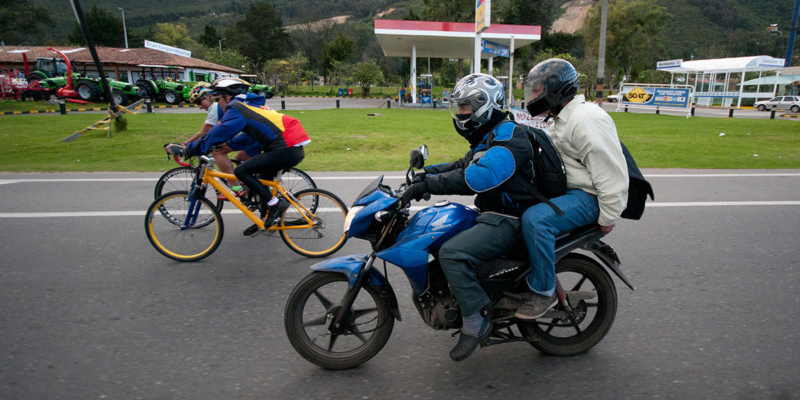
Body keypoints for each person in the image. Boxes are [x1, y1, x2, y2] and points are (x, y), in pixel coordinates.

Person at [400, 73, 540, 362]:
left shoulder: (510, 136)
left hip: (511, 218)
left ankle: (476, 322)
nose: (461, 113)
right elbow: (462, 164)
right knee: (442, 236)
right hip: (493, 212)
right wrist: (425, 175)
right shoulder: (490, 134)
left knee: (452, 253)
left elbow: (477, 177)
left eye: (465, 107)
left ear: (484, 106)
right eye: (460, 107)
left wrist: (428, 186)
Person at [514, 58, 628, 320]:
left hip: (589, 197)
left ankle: (544, 291)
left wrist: (608, 217)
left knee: (536, 221)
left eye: (536, 90)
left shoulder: (585, 118)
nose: (532, 96)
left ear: (555, 89)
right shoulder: (563, 118)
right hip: (572, 192)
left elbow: (610, 172)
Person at [166, 78, 311, 236]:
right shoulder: (248, 106)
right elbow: (250, 137)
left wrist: (189, 149)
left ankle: (276, 203)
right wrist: (225, 145)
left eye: (218, 98)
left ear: (227, 97)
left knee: (241, 171)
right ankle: (264, 220)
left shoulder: (235, 108)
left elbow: (216, 132)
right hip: (291, 148)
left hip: (285, 148)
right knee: (261, 180)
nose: (217, 102)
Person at [182, 82, 250, 197]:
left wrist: (184, 145)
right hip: (251, 134)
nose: (200, 106)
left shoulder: (215, 107)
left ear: (209, 96)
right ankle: (250, 188)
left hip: (249, 135)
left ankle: (236, 189)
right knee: (239, 159)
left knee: (217, 151)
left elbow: (204, 132)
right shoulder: (219, 106)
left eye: (199, 101)